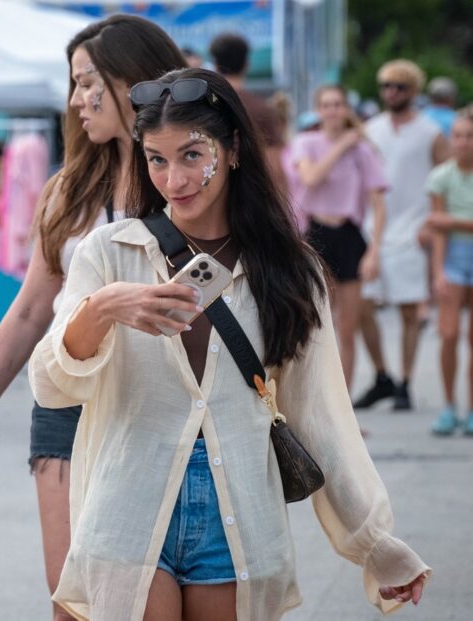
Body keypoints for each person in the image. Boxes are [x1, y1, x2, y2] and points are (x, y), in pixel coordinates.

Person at [27, 67, 430, 620]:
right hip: (129, 502)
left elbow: (321, 419)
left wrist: (377, 547)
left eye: (192, 155)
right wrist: (104, 309)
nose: (173, 179)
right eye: (157, 159)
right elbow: (50, 385)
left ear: (233, 149)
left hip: (239, 504)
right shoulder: (109, 253)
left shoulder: (293, 270)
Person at [0, 15, 186, 621]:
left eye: (86, 82)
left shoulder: (191, 182)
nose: (75, 100)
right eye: (72, 84)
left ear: (133, 81)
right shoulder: (68, 190)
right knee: (76, 604)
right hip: (68, 405)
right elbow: (27, 312)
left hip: (166, 409)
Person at [354, 59, 450, 411]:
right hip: (371, 229)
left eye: (399, 86)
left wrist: (432, 222)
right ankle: (382, 375)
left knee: (411, 312)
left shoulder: (430, 132)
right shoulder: (371, 129)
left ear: (413, 91)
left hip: (412, 230)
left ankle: (406, 383)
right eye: (386, 86)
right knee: (361, 306)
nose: (391, 92)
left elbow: (446, 180)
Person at [292, 84, 388, 392]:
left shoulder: (361, 150)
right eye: (327, 105)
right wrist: (340, 145)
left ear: (346, 109)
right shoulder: (307, 142)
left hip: (348, 234)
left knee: (347, 328)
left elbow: (378, 202)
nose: (333, 111)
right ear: (319, 110)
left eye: (338, 105)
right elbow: (310, 177)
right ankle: (314, 398)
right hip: (316, 233)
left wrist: (374, 250)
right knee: (317, 324)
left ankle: (343, 408)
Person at [422, 107, 473, 435]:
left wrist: (452, 222)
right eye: (457, 135)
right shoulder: (441, 176)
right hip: (453, 257)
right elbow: (436, 231)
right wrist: (438, 273)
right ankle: (449, 406)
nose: (463, 142)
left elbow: (442, 222)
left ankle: (470, 408)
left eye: (469, 136)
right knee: (449, 334)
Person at [208, 32, 286, 190]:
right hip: (248, 196)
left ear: (215, 64)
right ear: (247, 64)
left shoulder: (204, 104)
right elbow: (274, 169)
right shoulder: (260, 108)